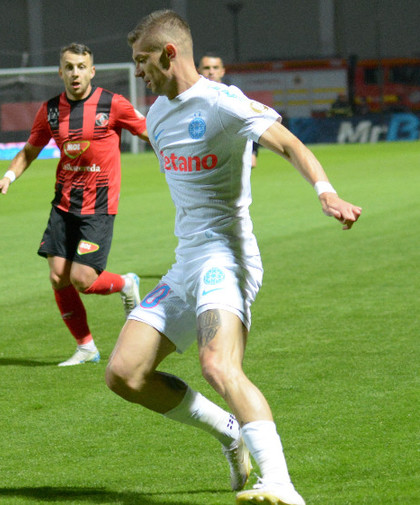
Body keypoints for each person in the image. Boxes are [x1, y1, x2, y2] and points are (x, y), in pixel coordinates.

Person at [112, 10, 362, 505]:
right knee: (124, 374)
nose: (137, 72)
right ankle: (229, 430)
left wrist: (326, 192)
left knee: (218, 364)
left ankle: (280, 483)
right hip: (185, 264)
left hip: (226, 258)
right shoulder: (158, 114)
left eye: (142, 61)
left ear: (169, 54)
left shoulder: (223, 103)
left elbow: (287, 142)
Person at [0, 43, 149, 367]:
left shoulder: (112, 104)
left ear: (92, 71)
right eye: (69, 67)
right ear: (61, 72)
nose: (75, 73)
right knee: (58, 275)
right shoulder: (50, 111)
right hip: (63, 205)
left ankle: (126, 283)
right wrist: (7, 177)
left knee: (83, 279)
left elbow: (149, 132)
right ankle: (86, 347)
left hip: (99, 206)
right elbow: (30, 150)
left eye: (81, 66)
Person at [198, 54, 259, 168]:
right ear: (198, 71)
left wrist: (253, 152)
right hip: (198, 161)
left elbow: (251, 121)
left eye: (215, 67)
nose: (211, 72)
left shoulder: (233, 96)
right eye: (207, 68)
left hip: (229, 161)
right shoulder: (191, 98)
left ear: (222, 71)